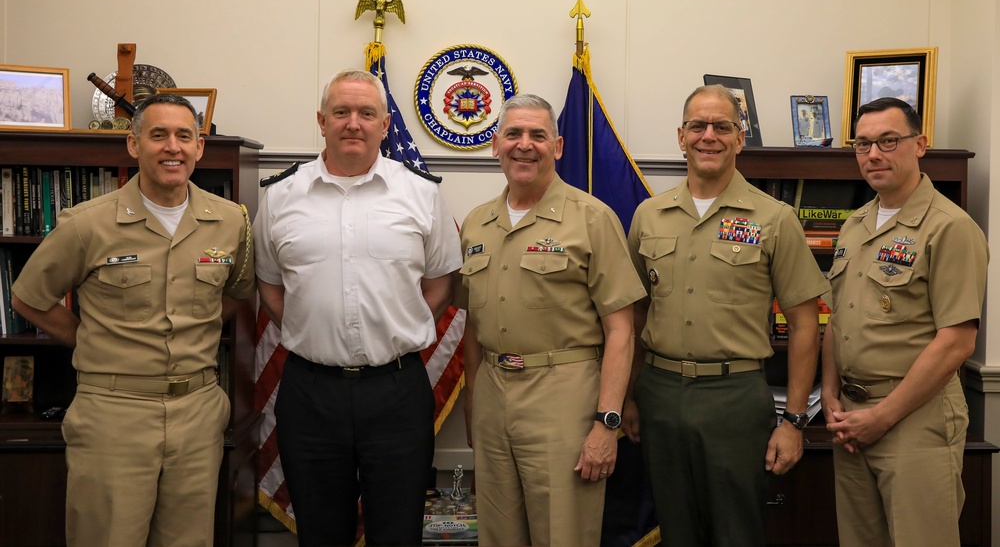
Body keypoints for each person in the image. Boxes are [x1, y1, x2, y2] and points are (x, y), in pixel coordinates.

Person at [11, 93, 255, 546]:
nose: (172, 147)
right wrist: (90, 340)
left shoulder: (230, 222)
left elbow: (236, 294)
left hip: (198, 412)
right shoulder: (87, 224)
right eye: (158, 135)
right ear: (133, 144)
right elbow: (29, 299)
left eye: (185, 136)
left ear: (200, 147)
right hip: (113, 414)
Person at [253, 69, 462, 547]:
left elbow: (440, 286)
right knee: (321, 531)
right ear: (321, 121)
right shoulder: (282, 194)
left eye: (366, 113)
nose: (353, 123)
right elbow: (270, 285)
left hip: (396, 390)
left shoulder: (420, 193)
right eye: (341, 112)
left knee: (398, 530)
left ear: (385, 125)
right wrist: (313, 330)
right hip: (310, 390)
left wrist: (393, 330)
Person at [624, 84, 829, 546]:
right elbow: (635, 314)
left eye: (723, 126)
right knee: (674, 528)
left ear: (740, 138)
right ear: (681, 136)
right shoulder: (648, 215)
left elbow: (803, 324)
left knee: (737, 530)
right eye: (698, 125)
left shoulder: (774, 218)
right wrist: (629, 397)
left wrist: (795, 421)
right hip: (659, 392)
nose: (708, 136)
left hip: (734, 397)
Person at [455, 93, 645, 547]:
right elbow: (473, 329)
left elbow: (622, 329)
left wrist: (607, 422)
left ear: (557, 146)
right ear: (495, 145)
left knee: (563, 535)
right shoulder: (477, 224)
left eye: (537, 135)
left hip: (565, 397)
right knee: (498, 536)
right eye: (514, 134)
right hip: (493, 398)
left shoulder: (592, 219)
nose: (525, 145)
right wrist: (472, 405)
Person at [821, 97, 988, 547]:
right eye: (863, 144)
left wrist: (881, 417)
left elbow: (957, 342)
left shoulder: (949, 227)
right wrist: (831, 394)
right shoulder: (855, 224)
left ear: (920, 145)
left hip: (914, 418)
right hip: (852, 418)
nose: (874, 154)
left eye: (889, 141)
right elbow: (838, 320)